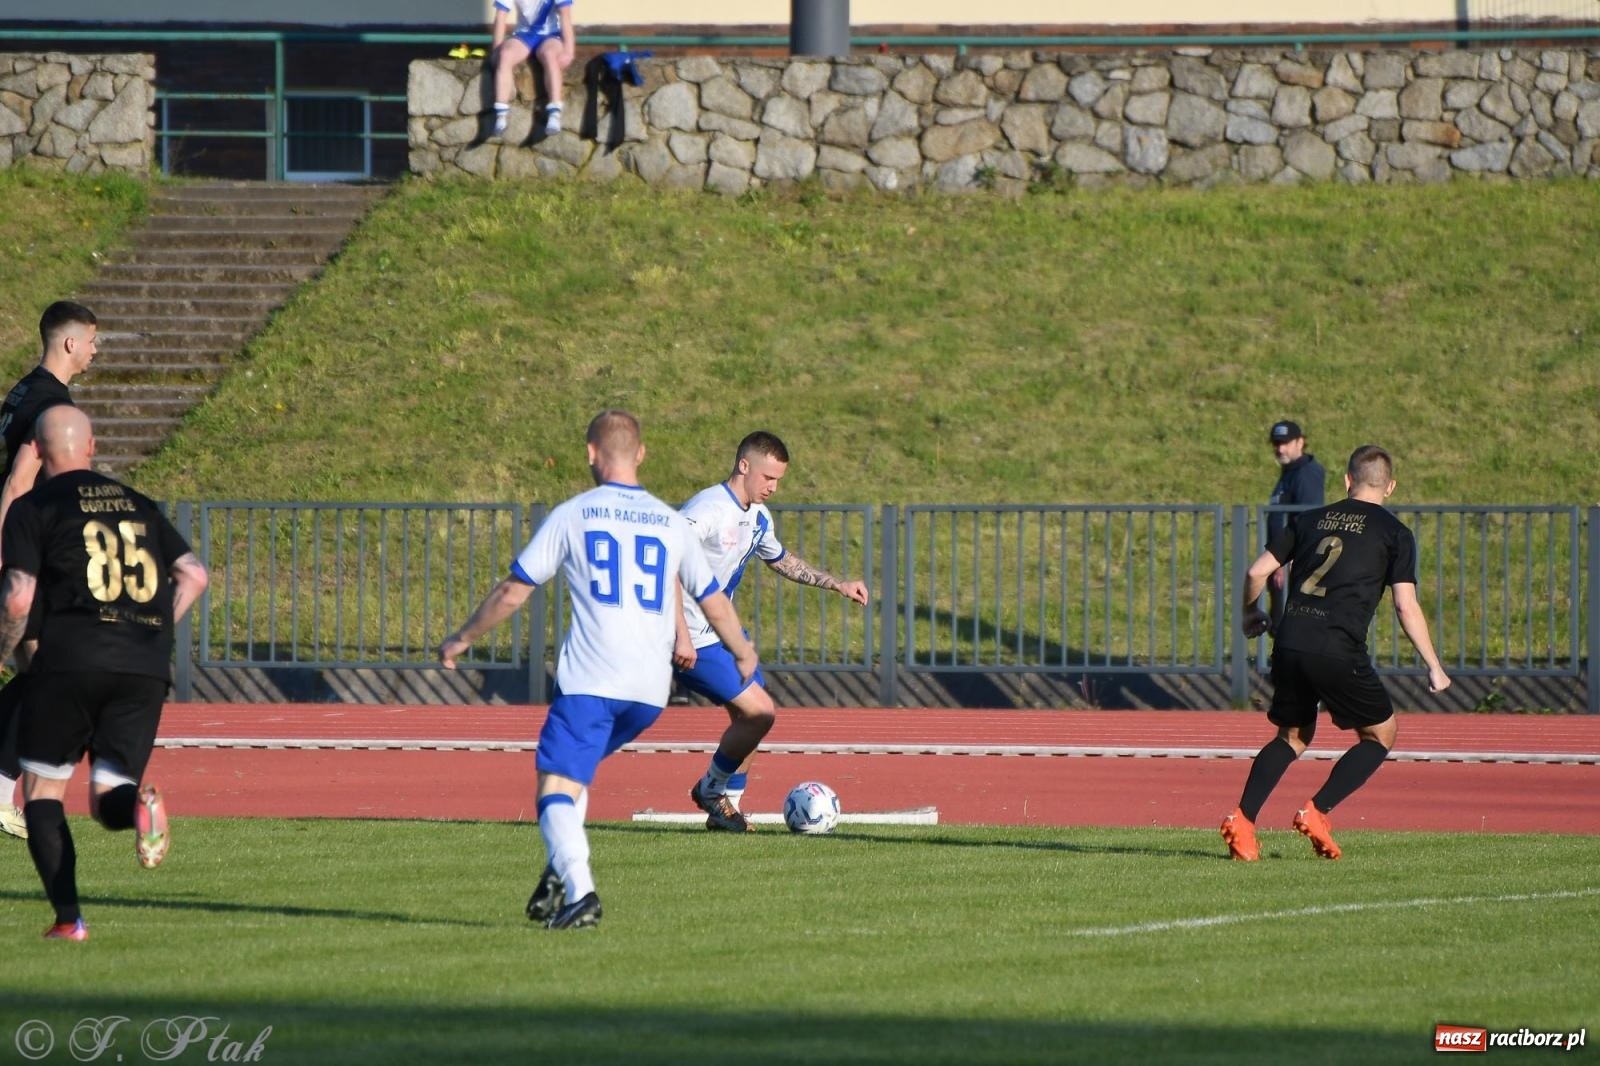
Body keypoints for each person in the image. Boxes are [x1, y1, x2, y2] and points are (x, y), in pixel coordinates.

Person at [439, 410, 757, 930]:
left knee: (554, 786)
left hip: (593, 679)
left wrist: (462, 637)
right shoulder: (670, 521)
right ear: (642, 454)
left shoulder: (575, 513)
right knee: (575, 777)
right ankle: (558, 870)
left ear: (591, 453)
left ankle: (581, 893)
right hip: (650, 692)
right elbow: (713, 598)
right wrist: (742, 651)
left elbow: (514, 590)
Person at [1, 406, 208, 940]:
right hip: (142, 667)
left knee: (43, 793)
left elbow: (20, 596)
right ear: (91, 447)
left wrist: (3, 650)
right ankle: (139, 806)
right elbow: (194, 575)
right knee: (107, 795)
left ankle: (69, 920)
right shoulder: (138, 504)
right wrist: (155, 630)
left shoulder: (32, 507)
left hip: (69, 660)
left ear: (40, 453)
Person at [1222, 444, 1450, 863]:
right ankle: (1317, 811)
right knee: (1380, 735)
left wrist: (1248, 612)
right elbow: (1405, 605)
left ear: (1347, 481)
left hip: (1290, 641)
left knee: (1292, 736)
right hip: (1338, 646)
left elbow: (1257, 571)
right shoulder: (1395, 532)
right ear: (1391, 486)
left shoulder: (1309, 519)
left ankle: (1243, 819)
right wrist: (1433, 665)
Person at [674, 431, 870, 833]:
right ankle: (712, 793)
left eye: (778, 480)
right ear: (744, 465)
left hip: (720, 632)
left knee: (752, 718)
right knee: (759, 712)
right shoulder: (707, 509)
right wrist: (679, 634)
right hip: (687, 632)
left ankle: (728, 811)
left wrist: (836, 583)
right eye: (768, 477)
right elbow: (665, 565)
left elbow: (780, 559)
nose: (773, 488)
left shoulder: (759, 517)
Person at [0, 300, 98, 841]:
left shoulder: (21, 391)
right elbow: (17, 483)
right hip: (26, 557)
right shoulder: (48, 402)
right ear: (69, 343)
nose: (93, 350)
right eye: (90, 340)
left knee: (35, 673)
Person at [1263, 419, 1325, 628]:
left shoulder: (1306, 474)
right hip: (1281, 559)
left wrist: (1287, 560)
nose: (1280, 449)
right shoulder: (1290, 472)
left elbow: (1306, 520)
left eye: (1285, 443)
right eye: (1276, 444)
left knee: (1291, 624)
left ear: (1300, 442)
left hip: (1291, 562)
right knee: (1281, 620)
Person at [488, 0, 576, 138]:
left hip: (551, 34)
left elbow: (565, 14)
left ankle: (554, 113)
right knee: (504, 55)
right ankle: (501, 115)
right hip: (524, 34)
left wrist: (569, 52)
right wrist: (496, 50)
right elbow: (501, 16)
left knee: (549, 55)